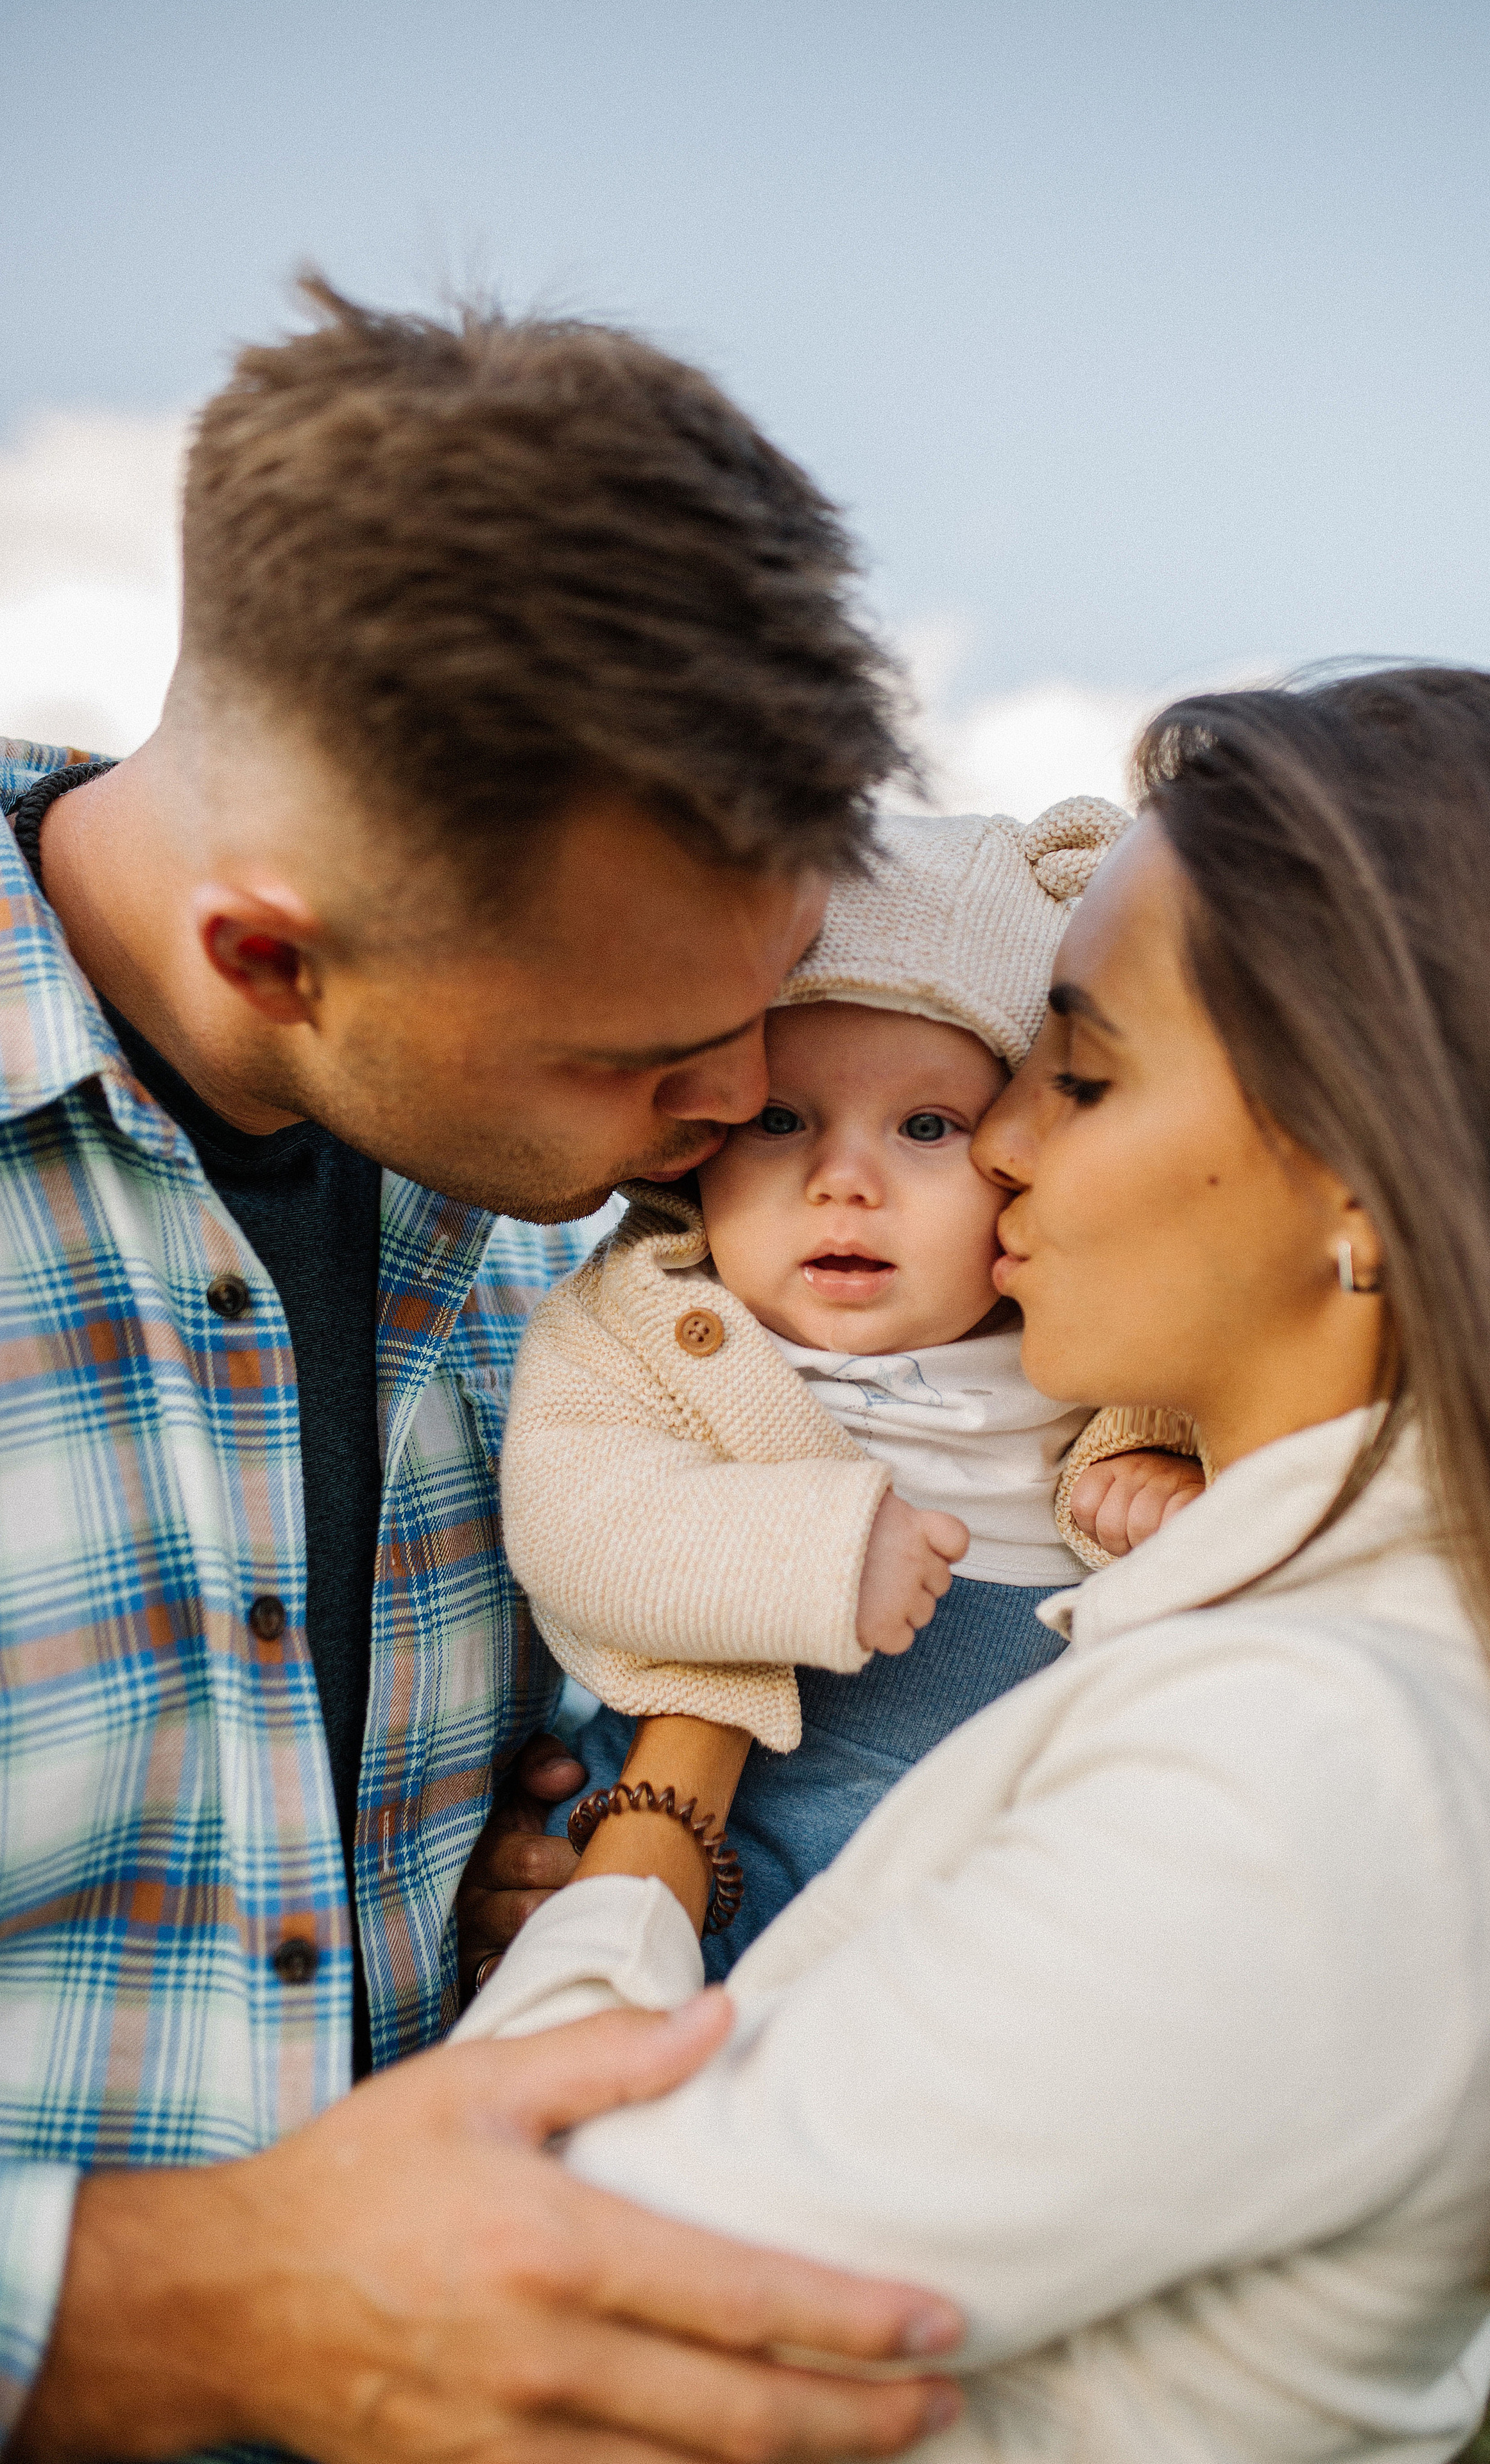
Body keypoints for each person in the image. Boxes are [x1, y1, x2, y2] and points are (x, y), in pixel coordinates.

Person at [456, 667, 1490, 2459]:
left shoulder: (1305, 1777)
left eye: (1077, 1076)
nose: (1001, 1145)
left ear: (1363, 1186)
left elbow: (507, 2296)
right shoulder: (1297, 1658)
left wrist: (655, 1821)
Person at [0, 282, 972, 2461]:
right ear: (273, 953)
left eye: (774, 992)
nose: (735, 1108)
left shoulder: (602, 1229)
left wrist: (550, 1861)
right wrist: (188, 2312)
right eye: (644, 1054)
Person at [495, 798, 1205, 1976]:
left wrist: (1173, 1464)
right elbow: (571, 1517)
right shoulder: (650, 1316)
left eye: (926, 1126)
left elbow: (1251, 1387)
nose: (843, 1180)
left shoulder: (1087, 1332)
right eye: (780, 1120)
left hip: (1002, 1862)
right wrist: (814, 1550)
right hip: (733, 1847)